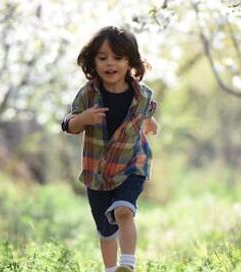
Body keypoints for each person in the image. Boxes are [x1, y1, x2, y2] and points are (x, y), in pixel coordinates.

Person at [61, 25, 159, 272]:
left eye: (118, 57)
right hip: (97, 171)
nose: (110, 63)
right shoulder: (88, 94)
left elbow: (145, 116)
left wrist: (150, 124)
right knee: (106, 230)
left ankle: (127, 265)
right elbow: (68, 124)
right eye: (102, 57)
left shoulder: (143, 95)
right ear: (93, 61)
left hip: (131, 164)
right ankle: (110, 269)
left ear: (130, 62)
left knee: (123, 211)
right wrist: (83, 119)